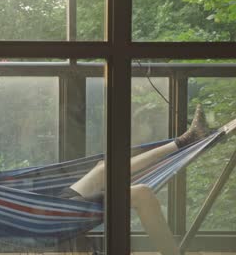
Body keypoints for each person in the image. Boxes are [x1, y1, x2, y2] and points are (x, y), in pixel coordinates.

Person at [59, 104, 209, 255]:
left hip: (56, 205)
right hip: (52, 213)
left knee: (103, 168)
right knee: (142, 194)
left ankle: (185, 141)